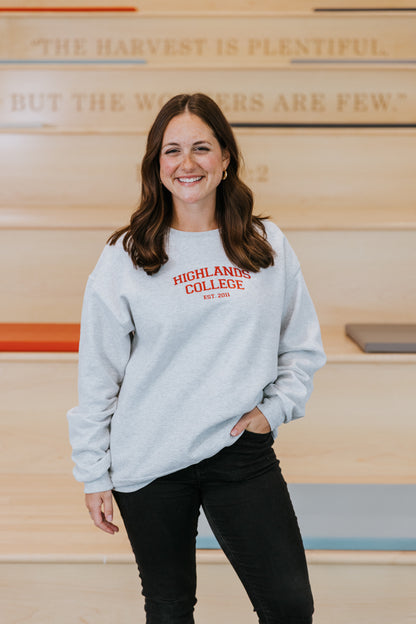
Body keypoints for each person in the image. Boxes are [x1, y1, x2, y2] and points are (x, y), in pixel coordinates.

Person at [67, 92, 326, 624]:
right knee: (169, 607)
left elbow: (300, 346)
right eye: (172, 151)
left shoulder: (264, 244)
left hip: (239, 451)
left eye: (202, 148)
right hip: (151, 455)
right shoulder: (126, 254)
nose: (187, 164)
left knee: (289, 606)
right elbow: (99, 373)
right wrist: (94, 472)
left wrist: (272, 412)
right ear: (156, 164)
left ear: (226, 158)